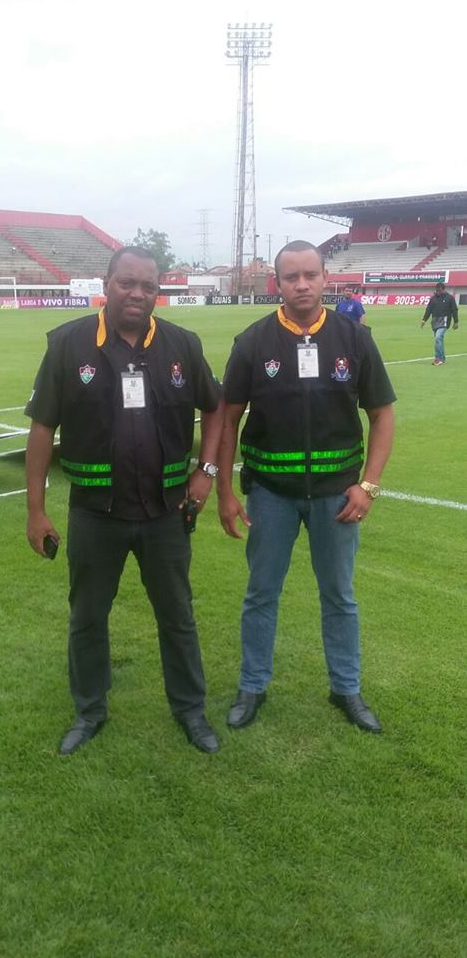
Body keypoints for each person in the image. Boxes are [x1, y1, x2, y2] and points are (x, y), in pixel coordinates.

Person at [25, 246, 223, 756]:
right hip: (96, 514)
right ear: (107, 284)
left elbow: (216, 408)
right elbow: (42, 428)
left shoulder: (182, 344)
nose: (137, 294)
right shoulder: (68, 344)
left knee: (177, 615)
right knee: (88, 617)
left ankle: (190, 710)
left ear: (158, 291)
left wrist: (207, 472)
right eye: (127, 283)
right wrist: (36, 511)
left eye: (148, 286)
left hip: (166, 512)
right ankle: (90, 710)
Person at [217, 240, 396, 734]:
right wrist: (225, 492)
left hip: (338, 496)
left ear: (324, 278)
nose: (301, 284)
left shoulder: (353, 338)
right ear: (277, 283)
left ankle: (346, 688)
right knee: (261, 593)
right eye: (291, 277)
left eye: (310, 275)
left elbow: (382, 415)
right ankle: (252, 686)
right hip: (270, 494)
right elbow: (227, 420)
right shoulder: (253, 342)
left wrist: (368, 485)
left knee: (339, 595)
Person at [421, 282, 458, 365]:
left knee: (438, 337)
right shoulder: (433, 298)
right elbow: (428, 309)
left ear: (444, 289)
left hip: (445, 321)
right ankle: (442, 358)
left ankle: (438, 358)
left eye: (440, 290)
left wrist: (456, 321)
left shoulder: (450, 298)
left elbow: (454, 310)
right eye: (437, 290)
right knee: (438, 340)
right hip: (435, 321)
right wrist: (424, 320)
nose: (438, 292)